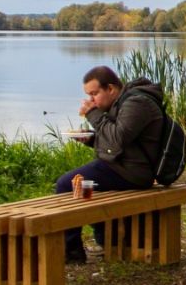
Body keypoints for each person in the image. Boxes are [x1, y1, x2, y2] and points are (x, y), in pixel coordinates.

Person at [56, 65, 166, 264]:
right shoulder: (124, 102)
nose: (91, 101)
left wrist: (93, 114)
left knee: (66, 184)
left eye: (94, 94)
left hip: (132, 172)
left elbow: (117, 139)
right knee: (87, 188)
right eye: (89, 96)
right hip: (125, 167)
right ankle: (107, 240)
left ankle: (72, 252)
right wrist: (91, 139)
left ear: (111, 89)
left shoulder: (136, 103)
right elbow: (119, 142)